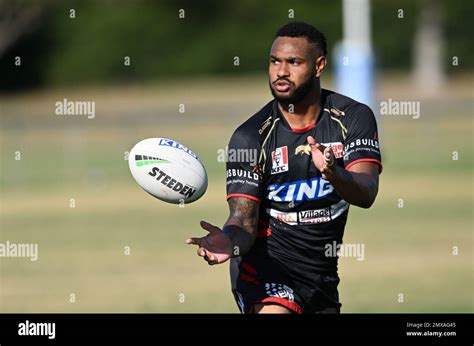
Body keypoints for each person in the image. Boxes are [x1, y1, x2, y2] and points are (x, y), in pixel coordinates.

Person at [186, 21, 382, 314]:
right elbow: (243, 221)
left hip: (320, 279)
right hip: (264, 274)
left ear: (319, 66)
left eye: (293, 62)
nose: (281, 72)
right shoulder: (250, 137)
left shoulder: (352, 118)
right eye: (275, 61)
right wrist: (228, 241)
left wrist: (334, 173)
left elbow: (366, 192)